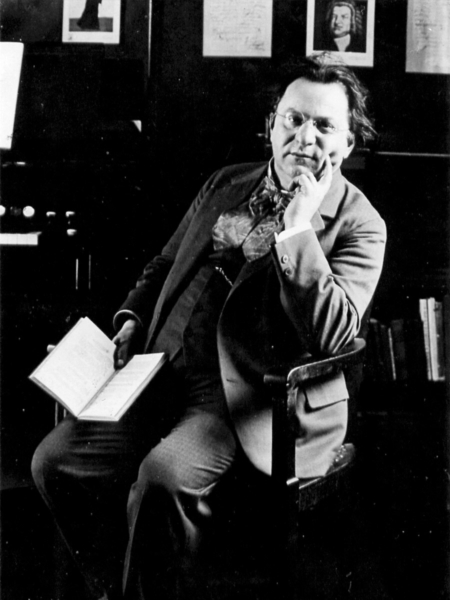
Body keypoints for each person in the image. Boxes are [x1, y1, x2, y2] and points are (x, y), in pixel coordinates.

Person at [32, 53, 386, 600]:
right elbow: (163, 265)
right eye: (293, 119)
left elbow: (334, 332)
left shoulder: (360, 223)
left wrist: (297, 231)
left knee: (163, 478)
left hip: (244, 399)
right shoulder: (226, 182)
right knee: (54, 462)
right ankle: (114, 589)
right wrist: (131, 320)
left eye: (323, 126)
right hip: (155, 376)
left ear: (347, 143)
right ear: (272, 126)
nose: (304, 138)